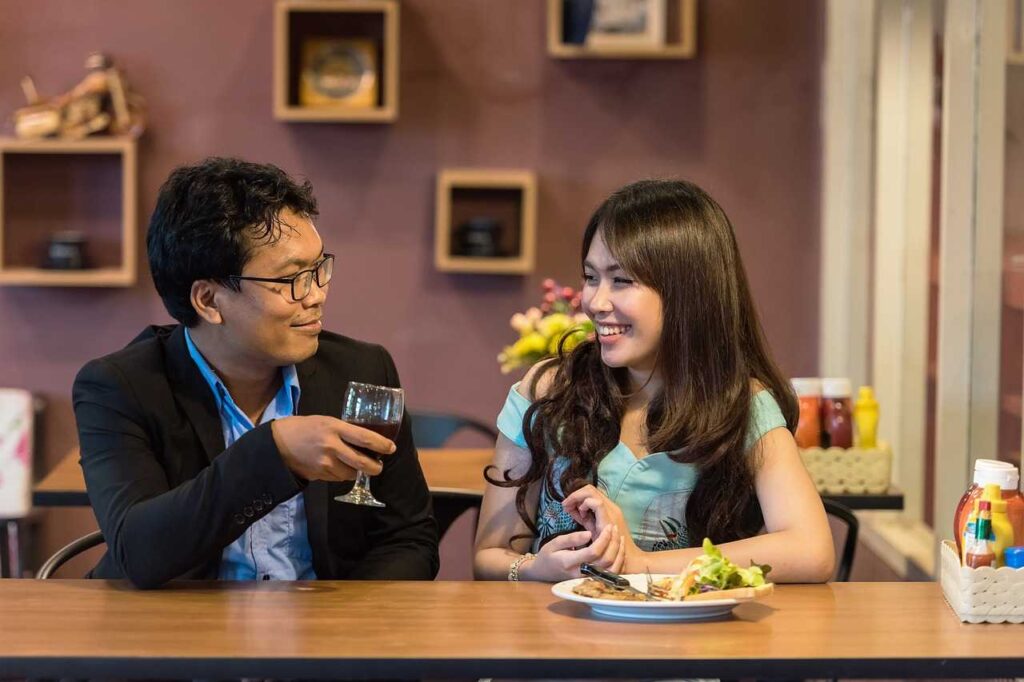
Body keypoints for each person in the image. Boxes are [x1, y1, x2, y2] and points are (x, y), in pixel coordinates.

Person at [73, 158, 438, 588]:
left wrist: (347, 628)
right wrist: (274, 453)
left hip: (325, 637)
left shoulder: (361, 370)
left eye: (319, 270)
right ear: (208, 300)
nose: (317, 295)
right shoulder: (118, 387)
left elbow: (409, 538)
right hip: (176, 635)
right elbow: (139, 551)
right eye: (291, 280)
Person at [474, 179, 835, 583]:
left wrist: (640, 564)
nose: (596, 301)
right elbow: (490, 556)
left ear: (688, 293)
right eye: (591, 277)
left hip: (691, 641)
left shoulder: (741, 404)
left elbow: (812, 550)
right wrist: (534, 569)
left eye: (621, 280)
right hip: (558, 636)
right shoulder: (546, 391)